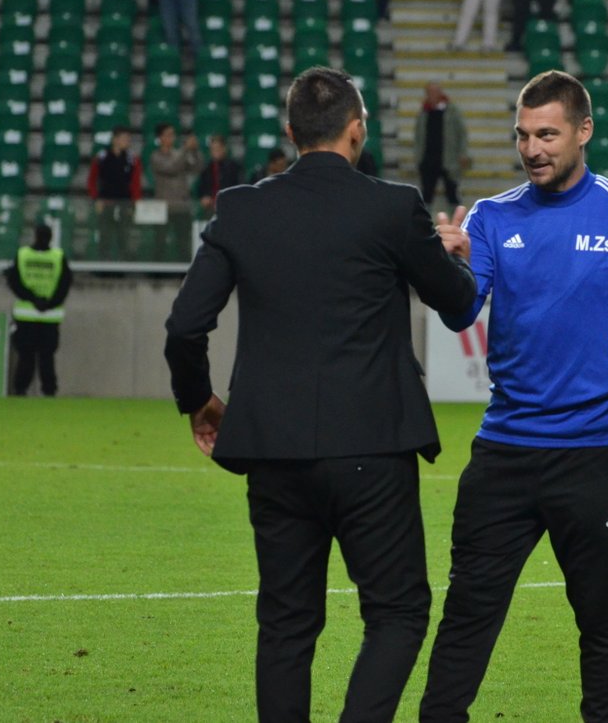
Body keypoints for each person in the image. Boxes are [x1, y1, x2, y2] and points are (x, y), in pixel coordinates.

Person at [163, 67, 477, 723]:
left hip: (272, 450)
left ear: (290, 132)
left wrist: (199, 401)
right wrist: (454, 254)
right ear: (357, 131)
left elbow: (186, 325)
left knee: (285, 624)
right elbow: (455, 302)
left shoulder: (242, 208)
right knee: (397, 612)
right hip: (374, 447)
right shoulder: (394, 207)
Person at [419, 70, 608, 722]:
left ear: (584, 131)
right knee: (466, 614)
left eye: (547, 134)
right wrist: (448, 266)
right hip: (504, 453)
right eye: (523, 135)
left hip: (596, 456)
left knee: (604, 623)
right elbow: (461, 313)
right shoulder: (492, 216)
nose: (532, 148)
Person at [6, 223, 73, 397]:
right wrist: (49, 303)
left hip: (26, 314)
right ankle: (48, 390)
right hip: (50, 315)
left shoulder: (23, 255)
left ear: (35, 235)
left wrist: (31, 298)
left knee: (26, 355)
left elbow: (14, 282)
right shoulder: (58, 256)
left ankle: (20, 389)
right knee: (46, 357)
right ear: (51, 237)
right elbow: (64, 285)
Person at [87, 125, 143, 261]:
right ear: (115, 139)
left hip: (124, 202)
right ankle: (103, 262)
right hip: (105, 202)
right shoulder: (101, 157)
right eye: (124, 138)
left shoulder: (132, 159)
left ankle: (122, 262)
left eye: (129, 139)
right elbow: (92, 180)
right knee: (105, 234)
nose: (127, 142)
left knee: (123, 234)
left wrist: (134, 203)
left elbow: (136, 183)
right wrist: (96, 199)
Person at [150, 122, 204, 261]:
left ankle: (184, 269)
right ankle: (157, 270)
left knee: (183, 242)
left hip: (181, 206)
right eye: (168, 135)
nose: (172, 137)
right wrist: (186, 149)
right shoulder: (156, 156)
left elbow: (197, 167)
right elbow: (171, 167)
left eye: (173, 134)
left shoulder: (180, 154)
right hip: (163, 207)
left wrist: (194, 150)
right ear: (160, 138)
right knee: (160, 242)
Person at [415, 82, 469, 207]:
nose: (432, 95)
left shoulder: (452, 111)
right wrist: (418, 157)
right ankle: (425, 218)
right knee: (426, 194)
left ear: (440, 93)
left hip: (449, 159)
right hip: (428, 159)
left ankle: (456, 217)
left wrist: (463, 153)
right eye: (430, 92)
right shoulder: (423, 112)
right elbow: (418, 136)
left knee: (452, 194)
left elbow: (462, 133)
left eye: (435, 92)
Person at [196, 134, 243, 216]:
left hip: (229, 206)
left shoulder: (234, 167)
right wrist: (204, 197)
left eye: (218, 148)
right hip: (211, 207)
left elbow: (240, 188)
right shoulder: (207, 169)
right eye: (213, 149)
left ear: (224, 148)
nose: (215, 152)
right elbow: (201, 188)